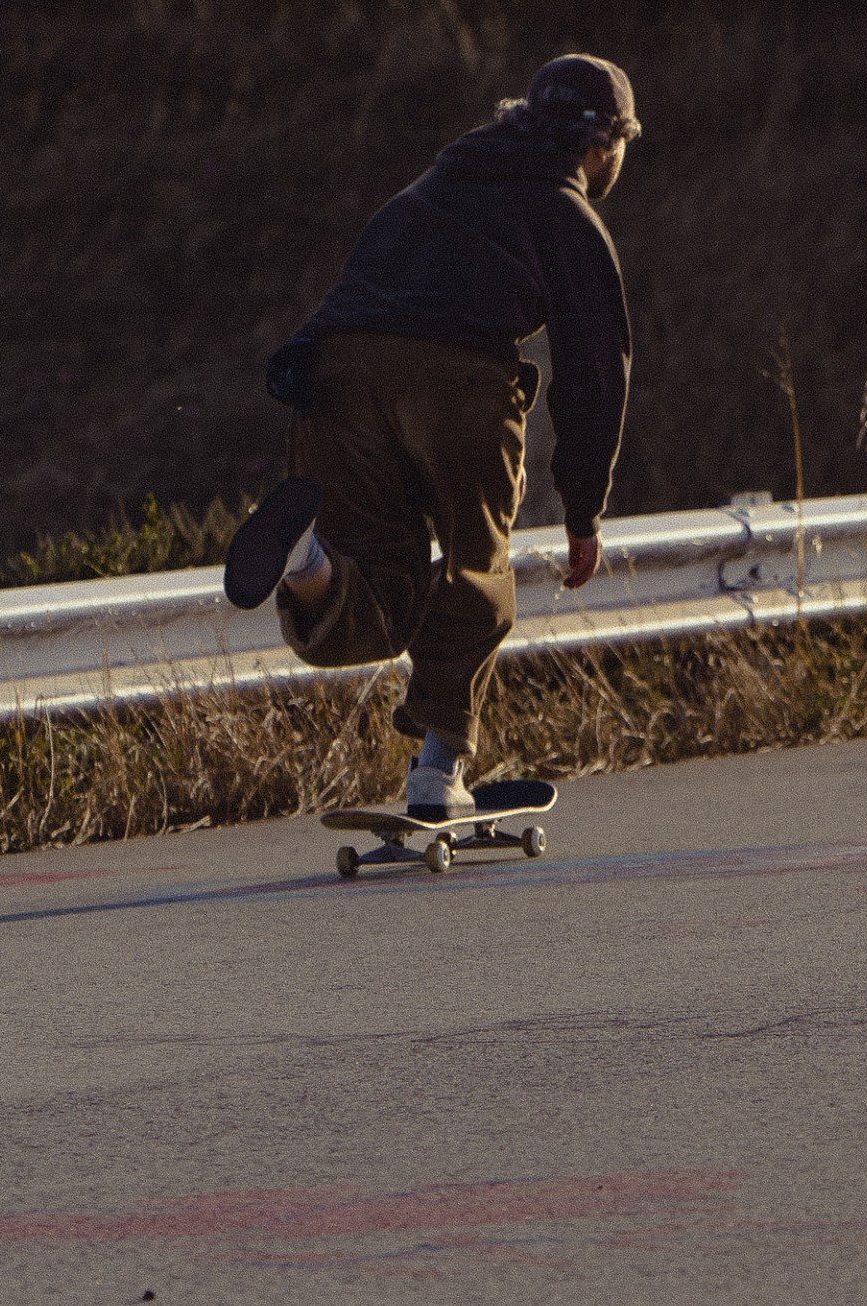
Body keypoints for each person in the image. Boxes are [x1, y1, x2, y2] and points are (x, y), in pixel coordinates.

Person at [223, 53, 639, 814]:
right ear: (602, 143)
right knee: (475, 572)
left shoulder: (436, 183)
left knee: (376, 581)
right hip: (455, 379)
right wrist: (584, 511)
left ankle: (304, 558)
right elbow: (593, 374)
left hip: (335, 370)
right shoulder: (565, 212)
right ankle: (436, 769)